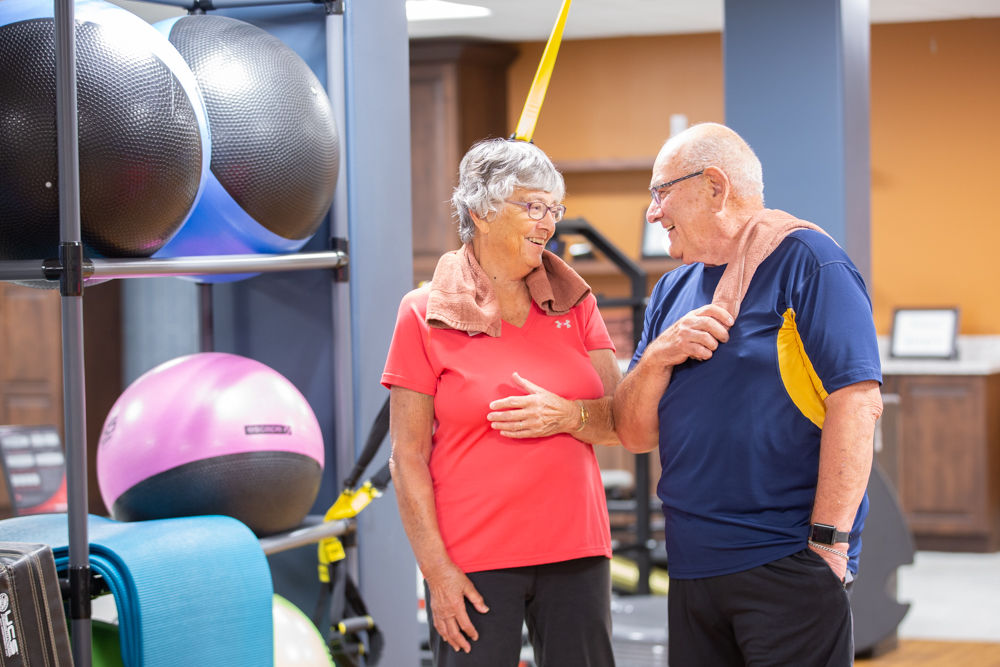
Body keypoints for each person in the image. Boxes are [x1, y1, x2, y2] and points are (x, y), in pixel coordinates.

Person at [613, 123, 883, 667]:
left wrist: (828, 545)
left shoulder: (809, 261)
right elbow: (635, 433)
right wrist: (661, 353)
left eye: (661, 191)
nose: (652, 212)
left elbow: (857, 403)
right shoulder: (671, 290)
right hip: (691, 568)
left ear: (714, 186)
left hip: (785, 560)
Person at [383, 138, 622, 667]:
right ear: (481, 212)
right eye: (533, 206)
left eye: (553, 209)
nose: (548, 224)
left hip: (577, 551)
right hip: (472, 561)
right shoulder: (423, 313)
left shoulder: (576, 304)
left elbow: (621, 423)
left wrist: (569, 415)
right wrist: (436, 572)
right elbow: (407, 458)